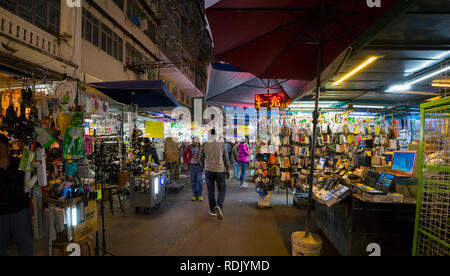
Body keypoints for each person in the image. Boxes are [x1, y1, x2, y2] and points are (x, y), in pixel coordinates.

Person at [0, 134, 33, 256]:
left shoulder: (18, 163)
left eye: (1, 146)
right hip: (1, 211)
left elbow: (28, 180)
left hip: (19, 209)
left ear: (7, 147)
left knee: (25, 243)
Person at [200, 129, 231, 220]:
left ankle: (212, 210)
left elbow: (201, 158)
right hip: (220, 170)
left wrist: (203, 167)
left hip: (208, 170)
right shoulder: (221, 145)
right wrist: (228, 170)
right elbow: (226, 158)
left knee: (210, 190)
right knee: (222, 190)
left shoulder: (205, 145)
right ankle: (219, 206)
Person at [183, 137, 203, 201]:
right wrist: (185, 161)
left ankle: (200, 195)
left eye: (195, 141)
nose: (194, 142)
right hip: (191, 165)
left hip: (199, 166)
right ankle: (195, 195)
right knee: (193, 181)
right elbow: (184, 153)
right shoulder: (190, 147)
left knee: (199, 180)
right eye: (193, 141)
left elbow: (204, 155)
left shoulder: (201, 147)